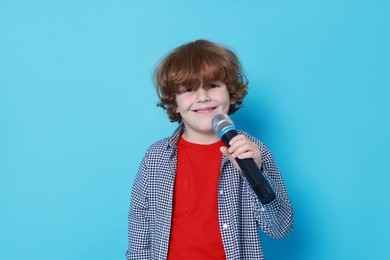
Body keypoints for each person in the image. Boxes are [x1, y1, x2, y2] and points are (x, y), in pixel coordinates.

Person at [125, 39, 293, 259]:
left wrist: (256, 176)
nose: (203, 97)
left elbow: (280, 229)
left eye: (213, 85)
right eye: (189, 89)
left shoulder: (253, 151)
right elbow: (140, 226)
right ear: (174, 103)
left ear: (231, 92)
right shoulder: (156, 157)